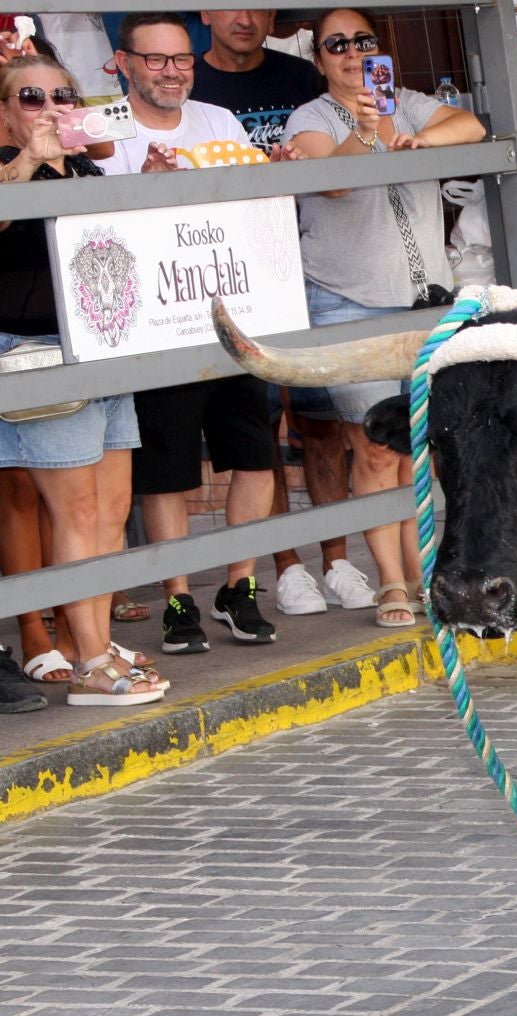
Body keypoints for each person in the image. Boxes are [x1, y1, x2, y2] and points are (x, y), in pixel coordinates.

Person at [285, 8, 483, 628]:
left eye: (362, 41)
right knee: (373, 449)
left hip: (423, 300)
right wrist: (367, 132)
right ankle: (392, 583)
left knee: (417, 449)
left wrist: (421, 139)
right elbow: (333, 182)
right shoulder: (309, 118)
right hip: (350, 300)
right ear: (319, 59)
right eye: (336, 44)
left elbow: (471, 126)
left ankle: (424, 575)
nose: (352, 53)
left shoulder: (408, 102)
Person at [97, 13, 282, 652]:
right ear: (123, 63)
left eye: (181, 59)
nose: (172, 71)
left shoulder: (219, 121)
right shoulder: (103, 131)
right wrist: (141, 192)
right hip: (155, 329)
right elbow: (86, 231)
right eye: (156, 59)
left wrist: (273, 172)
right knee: (168, 472)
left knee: (255, 457)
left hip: (230, 315)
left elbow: (252, 207)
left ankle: (240, 587)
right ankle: (178, 599)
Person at [0, 52, 166, 706]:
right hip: (36, 352)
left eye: (62, 96)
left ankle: (89, 645)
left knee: (110, 510)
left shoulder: (88, 168)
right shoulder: (8, 165)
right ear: (6, 112)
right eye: (31, 97)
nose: (49, 108)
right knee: (76, 511)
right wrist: (28, 161)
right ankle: (93, 663)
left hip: (104, 348)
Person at [188, 8, 362, 618]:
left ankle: (337, 560)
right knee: (260, 428)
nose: (246, 17)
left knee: (321, 422)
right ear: (204, 12)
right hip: (234, 272)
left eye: (259, 4)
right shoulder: (191, 84)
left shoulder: (299, 77)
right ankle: (287, 567)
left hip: (307, 263)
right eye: (230, 4)